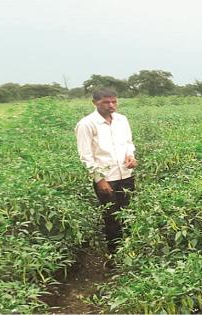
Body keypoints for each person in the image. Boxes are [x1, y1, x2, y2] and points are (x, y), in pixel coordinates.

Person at [75, 87, 137, 253]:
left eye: (114, 101)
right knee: (112, 218)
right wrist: (99, 179)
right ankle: (114, 255)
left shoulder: (122, 120)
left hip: (126, 175)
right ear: (95, 103)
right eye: (106, 102)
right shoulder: (86, 124)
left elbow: (128, 143)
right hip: (106, 179)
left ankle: (131, 251)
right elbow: (86, 156)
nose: (111, 105)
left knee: (129, 213)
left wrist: (130, 156)